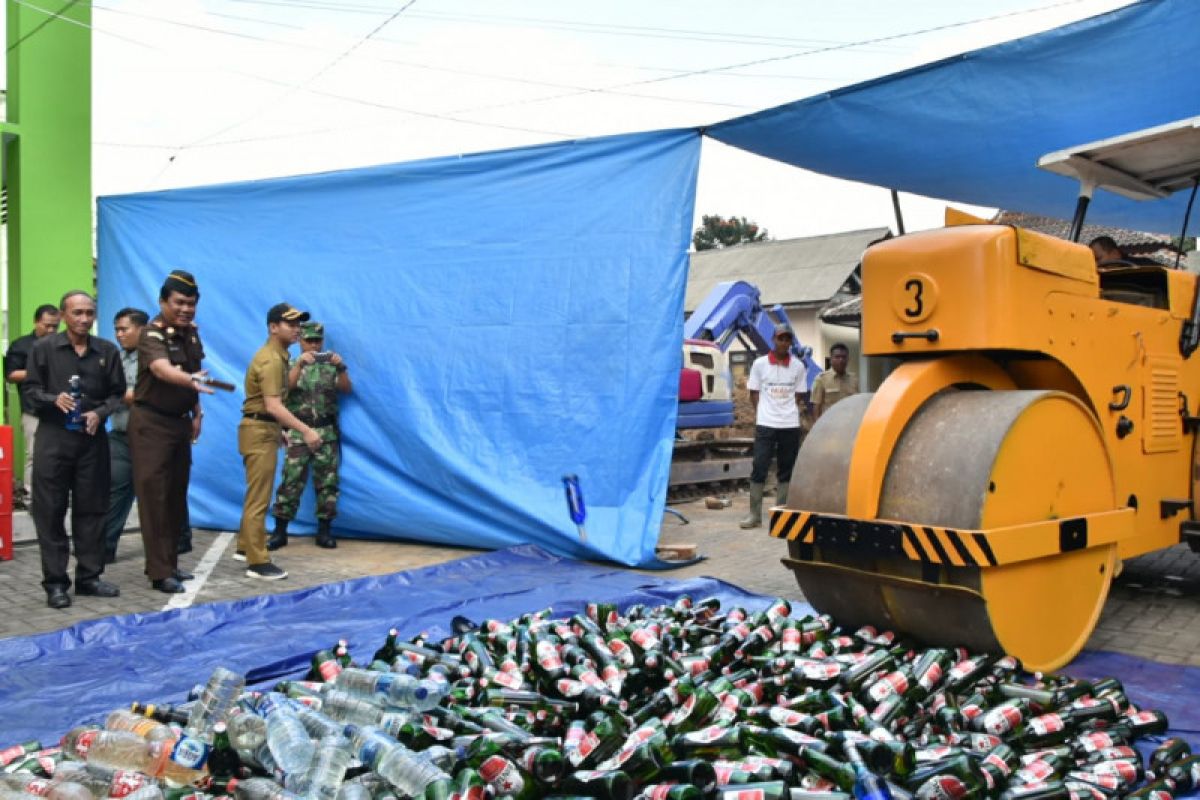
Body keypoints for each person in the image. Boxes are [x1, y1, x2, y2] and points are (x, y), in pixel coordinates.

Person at [23, 291, 125, 609]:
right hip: (53, 439)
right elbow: (28, 389)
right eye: (77, 312)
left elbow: (118, 393)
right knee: (50, 511)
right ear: (65, 315)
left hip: (92, 441)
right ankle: (55, 583)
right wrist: (52, 398)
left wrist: (100, 413)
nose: (84, 319)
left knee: (92, 510)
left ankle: (89, 578)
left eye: (89, 313)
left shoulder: (106, 351)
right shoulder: (43, 349)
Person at [129, 271, 213, 594]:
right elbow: (161, 369)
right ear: (163, 301)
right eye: (179, 302)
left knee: (176, 497)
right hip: (152, 424)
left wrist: (196, 412)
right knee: (155, 498)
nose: (186, 309)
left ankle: (171, 562)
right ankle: (159, 571)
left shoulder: (189, 335)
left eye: (191, 304)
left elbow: (195, 373)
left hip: (179, 423)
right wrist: (190, 381)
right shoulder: (152, 334)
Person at [237, 303, 321, 580]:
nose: (297, 329)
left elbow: (266, 405)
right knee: (259, 498)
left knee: (256, 493)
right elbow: (273, 406)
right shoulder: (272, 360)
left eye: (298, 324)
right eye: (290, 324)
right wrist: (305, 430)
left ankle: (244, 546)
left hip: (263, 428)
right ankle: (257, 561)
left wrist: (279, 429)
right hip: (259, 429)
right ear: (273, 327)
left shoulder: (279, 355)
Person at [269, 321, 352, 550]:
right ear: (300, 341)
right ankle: (280, 531)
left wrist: (342, 367)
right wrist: (299, 366)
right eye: (309, 340)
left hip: (326, 431)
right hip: (298, 430)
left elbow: (346, 389)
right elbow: (284, 389)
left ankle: (324, 532)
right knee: (291, 480)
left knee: (328, 483)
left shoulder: (330, 366)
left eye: (318, 340)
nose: (314, 344)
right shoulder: (290, 363)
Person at [740, 327, 807, 530]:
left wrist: (785, 410)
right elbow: (754, 393)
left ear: (791, 343)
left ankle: (781, 515)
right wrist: (764, 412)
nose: (784, 343)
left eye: (788, 340)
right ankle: (754, 515)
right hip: (766, 424)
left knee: (786, 469)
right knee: (759, 466)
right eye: (780, 339)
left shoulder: (798, 367)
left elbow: (799, 395)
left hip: (789, 424)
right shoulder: (760, 365)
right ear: (773, 340)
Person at [102, 307, 149, 564]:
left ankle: (175, 547)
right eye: (117, 329)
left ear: (141, 329)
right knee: (114, 491)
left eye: (124, 329)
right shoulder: (117, 358)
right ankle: (104, 548)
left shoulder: (154, 358)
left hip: (148, 439)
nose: (119, 334)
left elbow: (143, 394)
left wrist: (115, 394)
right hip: (120, 435)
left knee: (156, 497)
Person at [4, 304, 62, 508]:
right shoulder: (21, 345)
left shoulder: (63, 344)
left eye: (56, 326)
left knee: (63, 454)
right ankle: (31, 496)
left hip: (60, 409)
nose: (51, 330)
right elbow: (11, 375)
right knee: (35, 454)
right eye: (47, 326)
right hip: (33, 409)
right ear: (36, 322)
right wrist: (41, 372)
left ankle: (57, 495)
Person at [811, 342, 858, 422]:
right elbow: (816, 407)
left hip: (848, 424)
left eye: (844, 357)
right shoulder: (821, 379)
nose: (841, 360)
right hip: (829, 425)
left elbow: (856, 404)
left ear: (848, 359)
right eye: (837, 357)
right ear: (831, 359)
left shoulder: (854, 379)